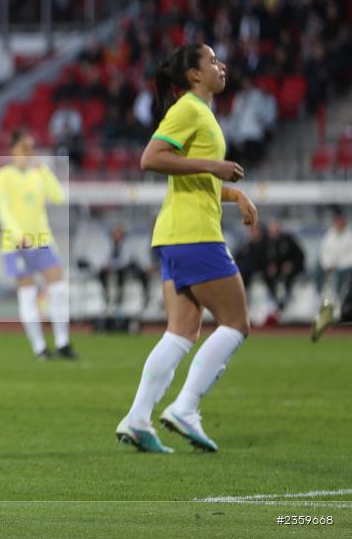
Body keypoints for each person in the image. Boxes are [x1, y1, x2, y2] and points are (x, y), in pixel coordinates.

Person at [116, 44, 258, 454]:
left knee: (181, 332)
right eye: (212, 61)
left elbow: (191, 177)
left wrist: (233, 195)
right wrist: (215, 167)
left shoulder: (201, 113)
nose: (221, 66)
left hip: (176, 233)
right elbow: (151, 158)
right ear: (194, 75)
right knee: (236, 323)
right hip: (195, 233)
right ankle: (185, 407)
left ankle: (139, 417)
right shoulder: (190, 109)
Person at [0, 129, 76, 361]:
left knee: (58, 289)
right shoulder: (3, 176)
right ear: (13, 150)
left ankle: (62, 342)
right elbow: (4, 210)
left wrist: (45, 171)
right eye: (24, 148)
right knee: (28, 294)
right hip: (15, 244)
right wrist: (18, 235)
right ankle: (40, 348)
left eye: (31, 148)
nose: (29, 153)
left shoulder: (38, 173)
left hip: (42, 240)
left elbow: (59, 197)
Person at [98, 225, 151, 311]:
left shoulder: (128, 243)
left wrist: (113, 265)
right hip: (114, 266)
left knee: (123, 273)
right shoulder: (108, 243)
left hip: (127, 266)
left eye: (118, 233)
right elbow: (105, 258)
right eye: (115, 233)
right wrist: (106, 266)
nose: (116, 235)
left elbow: (126, 259)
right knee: (101, 273)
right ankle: (106, 298)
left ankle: (122, 299)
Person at [264, 220, 305, 312]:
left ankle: (286, 302)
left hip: (290, 269)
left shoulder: (288, 239)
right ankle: (274, 302)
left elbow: (299, 255)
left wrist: (291, 264)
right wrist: (270, 265)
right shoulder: (267, 242)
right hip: (276, 270)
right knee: (268, 277)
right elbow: (265, 258)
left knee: (287, 278)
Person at [313, 207, 352, 303]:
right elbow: (324, 252)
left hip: (344, 266)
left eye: (340, 221)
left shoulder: (349, 236)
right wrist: (328, 264)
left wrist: (338, 265)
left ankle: (339, 298)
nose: (338, 223)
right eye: (337, 221)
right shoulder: (329, 236)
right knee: (317, 272)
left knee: (341, 276)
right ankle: (319, 296)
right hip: (329, 265)